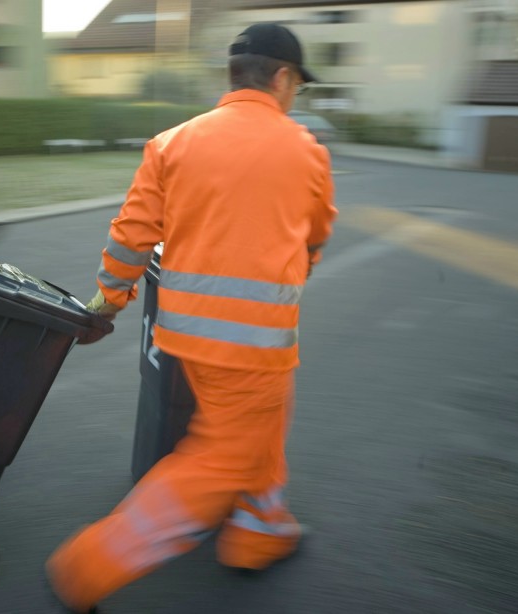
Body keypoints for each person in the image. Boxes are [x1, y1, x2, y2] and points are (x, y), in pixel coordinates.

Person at [47, 22, 338, 613]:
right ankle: (89, 565)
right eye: (296, 86)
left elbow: (132, 236)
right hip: (256, 343)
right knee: (221, 457)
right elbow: (314, 239)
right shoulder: (305, 150)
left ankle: (261, 530)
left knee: (262, 424)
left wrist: (109, 300)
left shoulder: (172, 142)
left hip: (185, 335)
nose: (294, 97)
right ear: (281, 78)